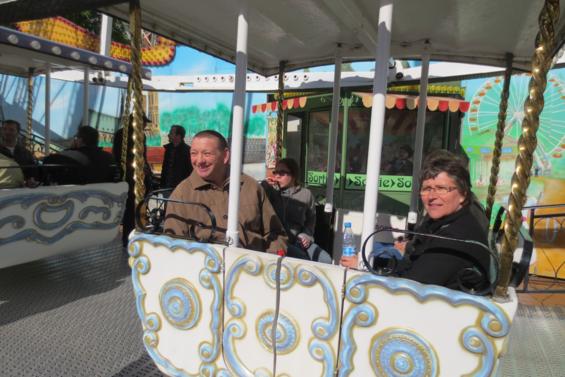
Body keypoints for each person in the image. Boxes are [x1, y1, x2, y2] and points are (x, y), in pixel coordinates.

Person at [341, 151, 491, 293]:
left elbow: (412, 287)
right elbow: (410, 264)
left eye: (441, 188)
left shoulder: (457, 235)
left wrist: (368, 268)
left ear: (463, 194)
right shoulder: (438, 223)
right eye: (427, 189)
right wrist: (369, 263)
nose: (432, 196)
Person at [163, 130, 287, 253]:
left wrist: (269, 261)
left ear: (225, 155)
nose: (199, 160)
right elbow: (174, 247)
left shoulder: (251, 187)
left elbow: (275, 233)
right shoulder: (182, 195)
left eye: (207, 154)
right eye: (194, 153)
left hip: (254, 267)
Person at [262, 158, 332, 262]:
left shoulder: (306, 194)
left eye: (282, 173)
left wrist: (306, 236)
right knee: (303, 259)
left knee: (326, 260)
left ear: (293, 175)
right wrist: (264, 186)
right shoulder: (273, 192)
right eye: (276, 172)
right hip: (279, 240)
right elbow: (258, 202)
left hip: (299, 239)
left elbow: (311, 220)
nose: (277, 176)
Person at [112, 114, 154, 247]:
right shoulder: (131, 135)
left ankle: (130, 237)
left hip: (132, 176)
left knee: (132, 209)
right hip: (134, 176)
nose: (146, 125)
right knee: (135, 209)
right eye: (144, 123)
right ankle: (134, 236)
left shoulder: (122, 134)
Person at [43, 126, 118, 185]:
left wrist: (70, 148)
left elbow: (46, 162)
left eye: (76, 138)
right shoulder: (109, 158)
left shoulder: (68, 156)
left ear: (80, 140)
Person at [160, 125, 192, 190]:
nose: (168, 135)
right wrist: (162, 184)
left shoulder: (187, 151)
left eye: (171, 133)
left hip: (181, 189)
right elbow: (165, 169)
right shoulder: (168, 149)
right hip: (166, 187)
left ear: (178, 136)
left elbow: (190, 171)